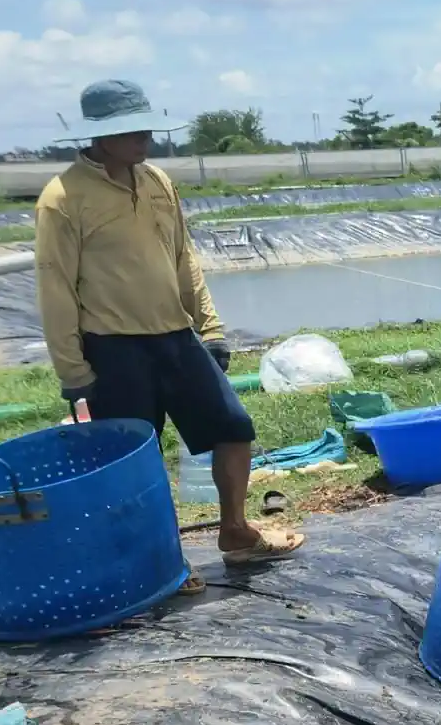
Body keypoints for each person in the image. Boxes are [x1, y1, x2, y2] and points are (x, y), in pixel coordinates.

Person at [35, 79, 304, 584]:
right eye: (132, 131)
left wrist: (210, 327)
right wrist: (73, 371)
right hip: (113, 348)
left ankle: (236, 531)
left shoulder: (156, 179)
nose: (145, 140)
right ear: (97, 138)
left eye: (145, 128)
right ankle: (155, 564)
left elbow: (183, 258)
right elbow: (54, 288)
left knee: (233, 428)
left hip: (176, 338)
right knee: (136, 462)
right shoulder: (63, 199)